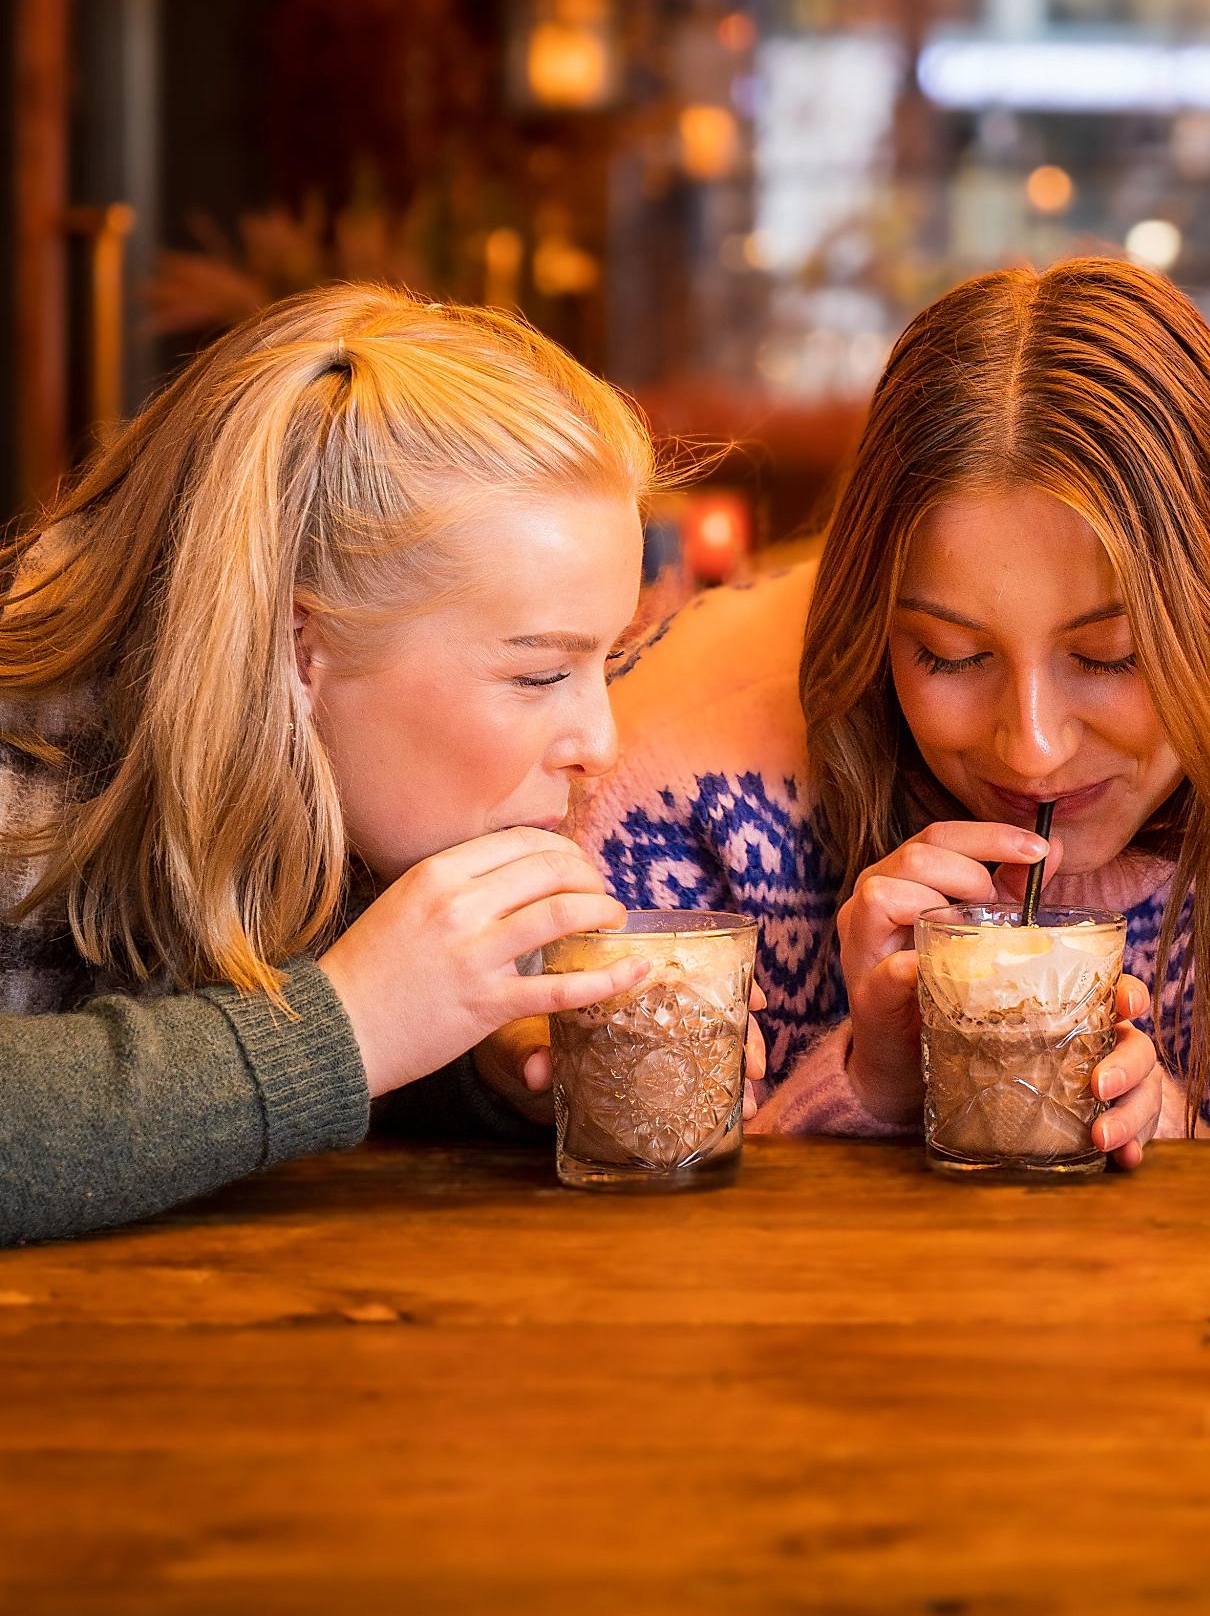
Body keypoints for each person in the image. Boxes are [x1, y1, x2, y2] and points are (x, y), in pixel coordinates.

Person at [573, 257, 1210, 1150]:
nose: (1033, 748)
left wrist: (1171, 1140)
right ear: (870, 614)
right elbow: (626, 1239)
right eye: (952, 656)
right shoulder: (675, 794)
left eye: (1111, 657)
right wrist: (875, 1086)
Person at [0, 285, 740, 1243]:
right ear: (302, 649)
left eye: (608, 661)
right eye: (539, 674)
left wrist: (482, 1067)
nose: (599, 744)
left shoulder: (328, 790)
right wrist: (343, 1029)